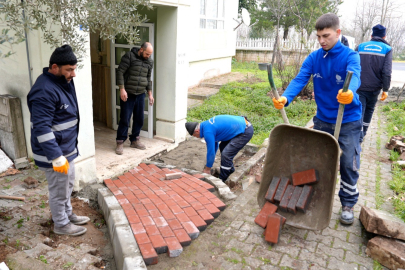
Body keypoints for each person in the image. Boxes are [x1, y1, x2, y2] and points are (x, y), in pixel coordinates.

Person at [272, 13, 362, 225]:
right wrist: (286, 97)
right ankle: (316, 197)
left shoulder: (351, 56)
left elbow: (355, 75)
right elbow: (300, 78)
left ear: (338, 33)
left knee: (348, 162)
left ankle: (348, 203)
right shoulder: (314, 58)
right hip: (322, 120)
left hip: (347, 119)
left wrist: (350, 92)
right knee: (318, 161)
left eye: (326, 35)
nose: (322, 40)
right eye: (319, 36)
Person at [27, 45, 90, 236]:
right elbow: (42, 128)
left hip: (66, 149)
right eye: (69, 70)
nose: (73, 74)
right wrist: (56, 157)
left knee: (68, 185)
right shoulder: (44, 90)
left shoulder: (63, 82)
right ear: (55, 67)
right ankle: (61, 224)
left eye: (74, 69)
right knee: (59, 190)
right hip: (54, 154)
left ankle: (67, 214)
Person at [185, 115, 254, 185]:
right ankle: (230, 171)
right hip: (240, 126)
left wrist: (207, 169)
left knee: (226, 154)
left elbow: (211, 152)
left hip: (245, 131)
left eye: (195, 136)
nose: (197, 137)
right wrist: (209, 164)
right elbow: (215, 145)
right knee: (223, 147)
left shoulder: (207, 132)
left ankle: (223, 180)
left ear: (197, 131)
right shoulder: (205, 125)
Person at [115, 42, 154, 155]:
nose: (148, 56)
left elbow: (148, 78)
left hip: (141, 94)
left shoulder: (149, 62)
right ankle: (120, 141)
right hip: (128, 93)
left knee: (139, 118)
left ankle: (135, 140)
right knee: (125, 118)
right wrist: (122, 89)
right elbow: (120, 72)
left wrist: (150, 94)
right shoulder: (129, 56)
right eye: (147, 54)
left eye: (150, 55)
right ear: (141, 50)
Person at [356, 24, 392, 143]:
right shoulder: (387, 49)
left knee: (359, 110)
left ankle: (358, 134)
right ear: (384, 36)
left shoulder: (360, 46)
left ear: (371, 35)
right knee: (369, 110)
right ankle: (363, 133)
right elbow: (386, 71)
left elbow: (351, 64)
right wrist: (385, 89)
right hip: (374, 88)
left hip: (359, 86)